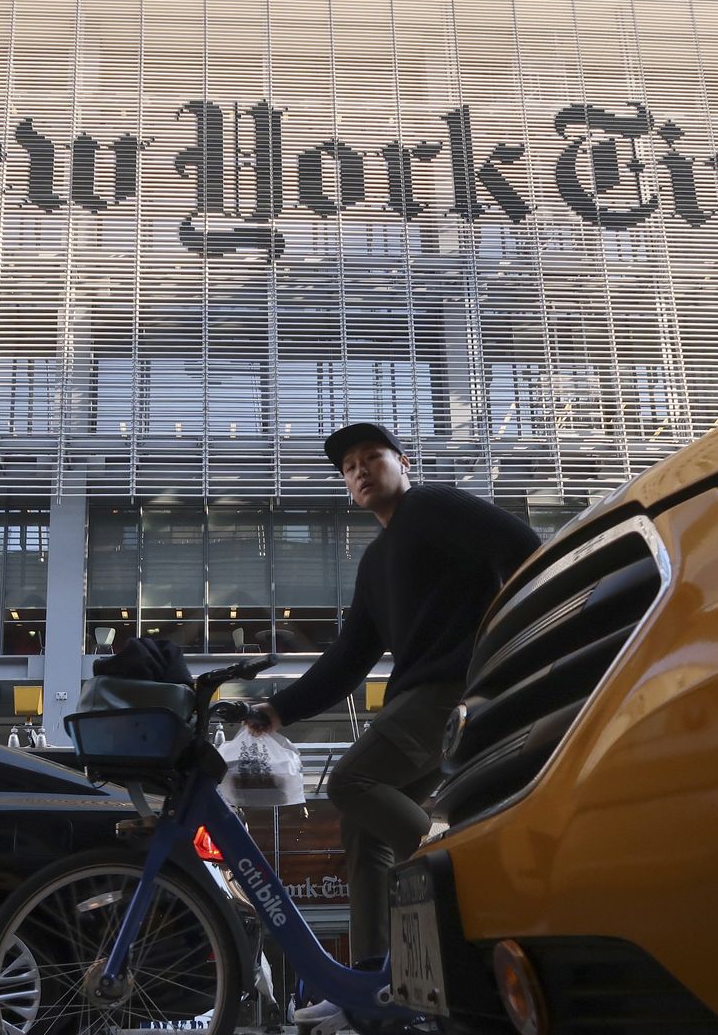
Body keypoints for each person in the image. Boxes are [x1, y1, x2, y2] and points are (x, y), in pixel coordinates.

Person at [246, 422, 540, 1031]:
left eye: (371, 457)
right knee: (363, 831)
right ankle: (373, 985)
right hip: (420, 700)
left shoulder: (433, 506)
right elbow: (349, 657)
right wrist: (280, 710)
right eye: (349, 465)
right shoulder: (378, 561)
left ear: (402, 463)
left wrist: (508, 649)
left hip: (453, 691)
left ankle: (465, 876)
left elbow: (521, 546)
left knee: (352, 782)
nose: (359, 470)